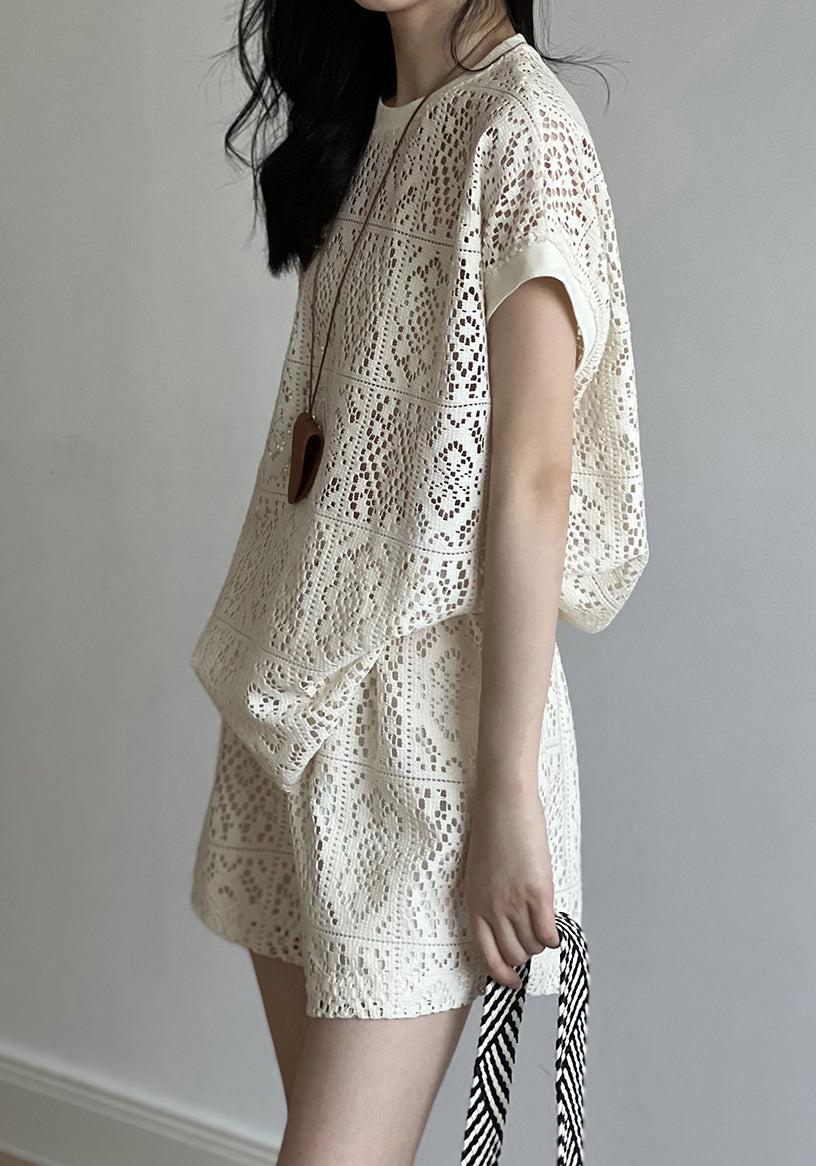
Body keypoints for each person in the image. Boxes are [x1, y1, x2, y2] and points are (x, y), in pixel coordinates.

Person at [189, 1, 649, 1162]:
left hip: (428, 753)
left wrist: (506, 794)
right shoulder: (360, 116)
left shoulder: (520, 129)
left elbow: (533, 478)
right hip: (295, 717)